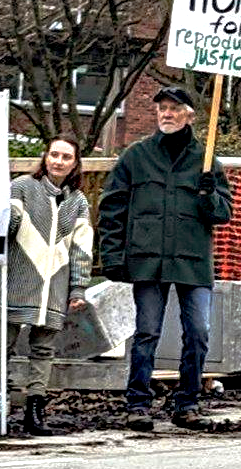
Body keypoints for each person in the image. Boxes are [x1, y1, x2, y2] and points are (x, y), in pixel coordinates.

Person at [98, 86, 231, 431]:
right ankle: (137, 405)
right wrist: (112, 256)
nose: (166, 114)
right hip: (148, 261)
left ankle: (187, 404)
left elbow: (223, 214)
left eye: (174, 109)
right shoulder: (136, 156)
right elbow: (112, 208)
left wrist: (207, 195)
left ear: (190, 115)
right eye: (162, 109)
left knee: (198, 333)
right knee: (146, 333)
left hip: (192, 262)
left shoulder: (206, 160)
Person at [0, 135, 90, 436]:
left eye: (66, 157)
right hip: (18, 281)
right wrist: (2, 213)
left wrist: (78, 288)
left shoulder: (78, 202)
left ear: (75, 163)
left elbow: (81, 249)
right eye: (54, 155)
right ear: (45, 157)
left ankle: (35, 412)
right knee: (0, 348)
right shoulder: (22, 187)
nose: (58, 162)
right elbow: (6, 226)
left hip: (55, 288)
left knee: (43, 350)